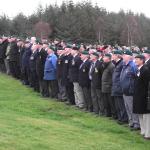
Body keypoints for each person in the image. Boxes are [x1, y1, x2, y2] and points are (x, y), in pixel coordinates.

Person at [120, 50, 140, 130]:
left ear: (129, 56)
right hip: (124, 90)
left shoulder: (133, 65)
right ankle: (131, 122)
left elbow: (137, 77)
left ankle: (136, 123)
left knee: (132, 108)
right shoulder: (125, 65)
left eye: (125, 55)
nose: (123, 56)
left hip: (130, 90)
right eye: (123, 55)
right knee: (127, 107)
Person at [133, 54, 150, 139]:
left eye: (137, 59)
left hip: (144, 96)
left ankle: (148, 133)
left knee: (146, 115)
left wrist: (146, 96)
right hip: (138, 95)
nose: (135, 61)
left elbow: (147, 85)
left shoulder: (146, 70)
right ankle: (143, 131)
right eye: (135, 59)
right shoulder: (138, 70)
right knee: (140, 113)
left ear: (142, 60)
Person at [112, 50, 128, 124]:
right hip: (115, 86)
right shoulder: (116, 63)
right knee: (117, 104)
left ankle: (123, 119)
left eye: (113, 55)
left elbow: (122, 76)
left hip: (119, 87)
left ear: (117, 55)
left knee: (121, 105)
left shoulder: (121, 63)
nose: (112, 56)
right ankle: (120, 117)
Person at [102, 54, 116, 118]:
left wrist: (109, 84)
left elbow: (113, 77)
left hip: (109, 87)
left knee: (111, 102)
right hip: (104, 86)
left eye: (104, 57)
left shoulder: (111, 66)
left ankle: (114, 114)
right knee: (105, 101)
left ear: (108, 58)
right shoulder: (105, 65)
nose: (103, 58)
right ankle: (108, 113)